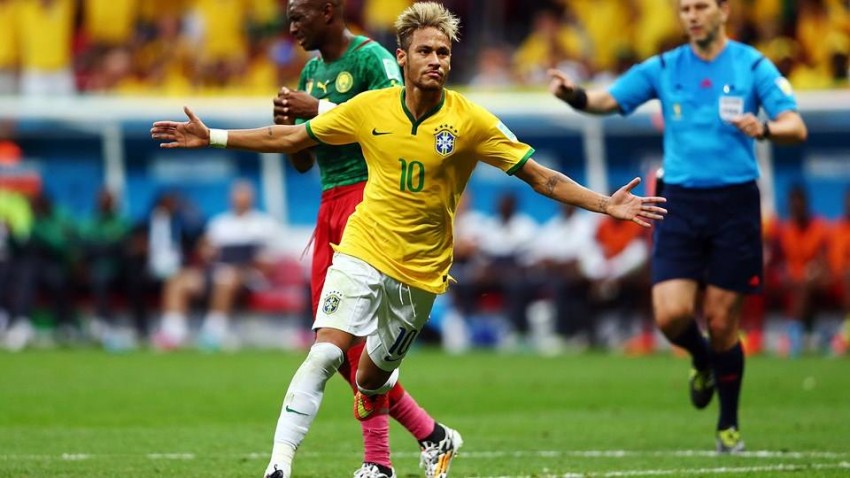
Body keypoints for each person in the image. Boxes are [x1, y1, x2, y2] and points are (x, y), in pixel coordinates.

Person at [150, 3, 667, 477]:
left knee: (371, 378)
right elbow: (291, 138)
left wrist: (606, 203)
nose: (435, 60)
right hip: (362, 246)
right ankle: (280, 466)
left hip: (420, 273)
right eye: (425, 51)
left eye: (443, 52)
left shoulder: (471, 121)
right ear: (404, 58)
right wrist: (213, 136)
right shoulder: (371, 107)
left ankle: (429, 440)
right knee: (325, 354)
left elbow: (541, 178)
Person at [548, 0, 807, 453]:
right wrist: (574, 95)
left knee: (722, 321)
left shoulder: (751, 65)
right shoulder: (666, 66)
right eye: (684, 8)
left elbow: (795, 125)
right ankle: (703, 360)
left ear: (723, 10)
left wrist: (765, 129)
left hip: (734, 203)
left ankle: (728, 426)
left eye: (701, 6)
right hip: (679, 202)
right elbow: (609, 99)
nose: (691, 15)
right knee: (670, 316)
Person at [271, 1, 458, 476]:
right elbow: (302, 160)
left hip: (369, 200)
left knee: (354, 344)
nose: (291, 27)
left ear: (327, 11)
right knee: (331, 343)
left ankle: (379, 460)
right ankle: (432, 435)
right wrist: (292, 126)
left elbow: (398, 123)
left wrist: (318, 108)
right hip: (328, 203)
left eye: (298, 16)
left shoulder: (372, 58)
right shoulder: (311, 71)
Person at [153, 180, 279, 350]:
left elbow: (269, 263)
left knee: (225, 277)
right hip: (215, 271)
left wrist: (244, 264)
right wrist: (206, 251)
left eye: (243, 196)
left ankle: (214, 332)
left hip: (249, 276)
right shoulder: (219, 223)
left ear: (251, 198)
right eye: (236, 196)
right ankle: (173, 332)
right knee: (178, 280)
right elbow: (204, 251)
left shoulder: (264, 224)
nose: (239, 200)